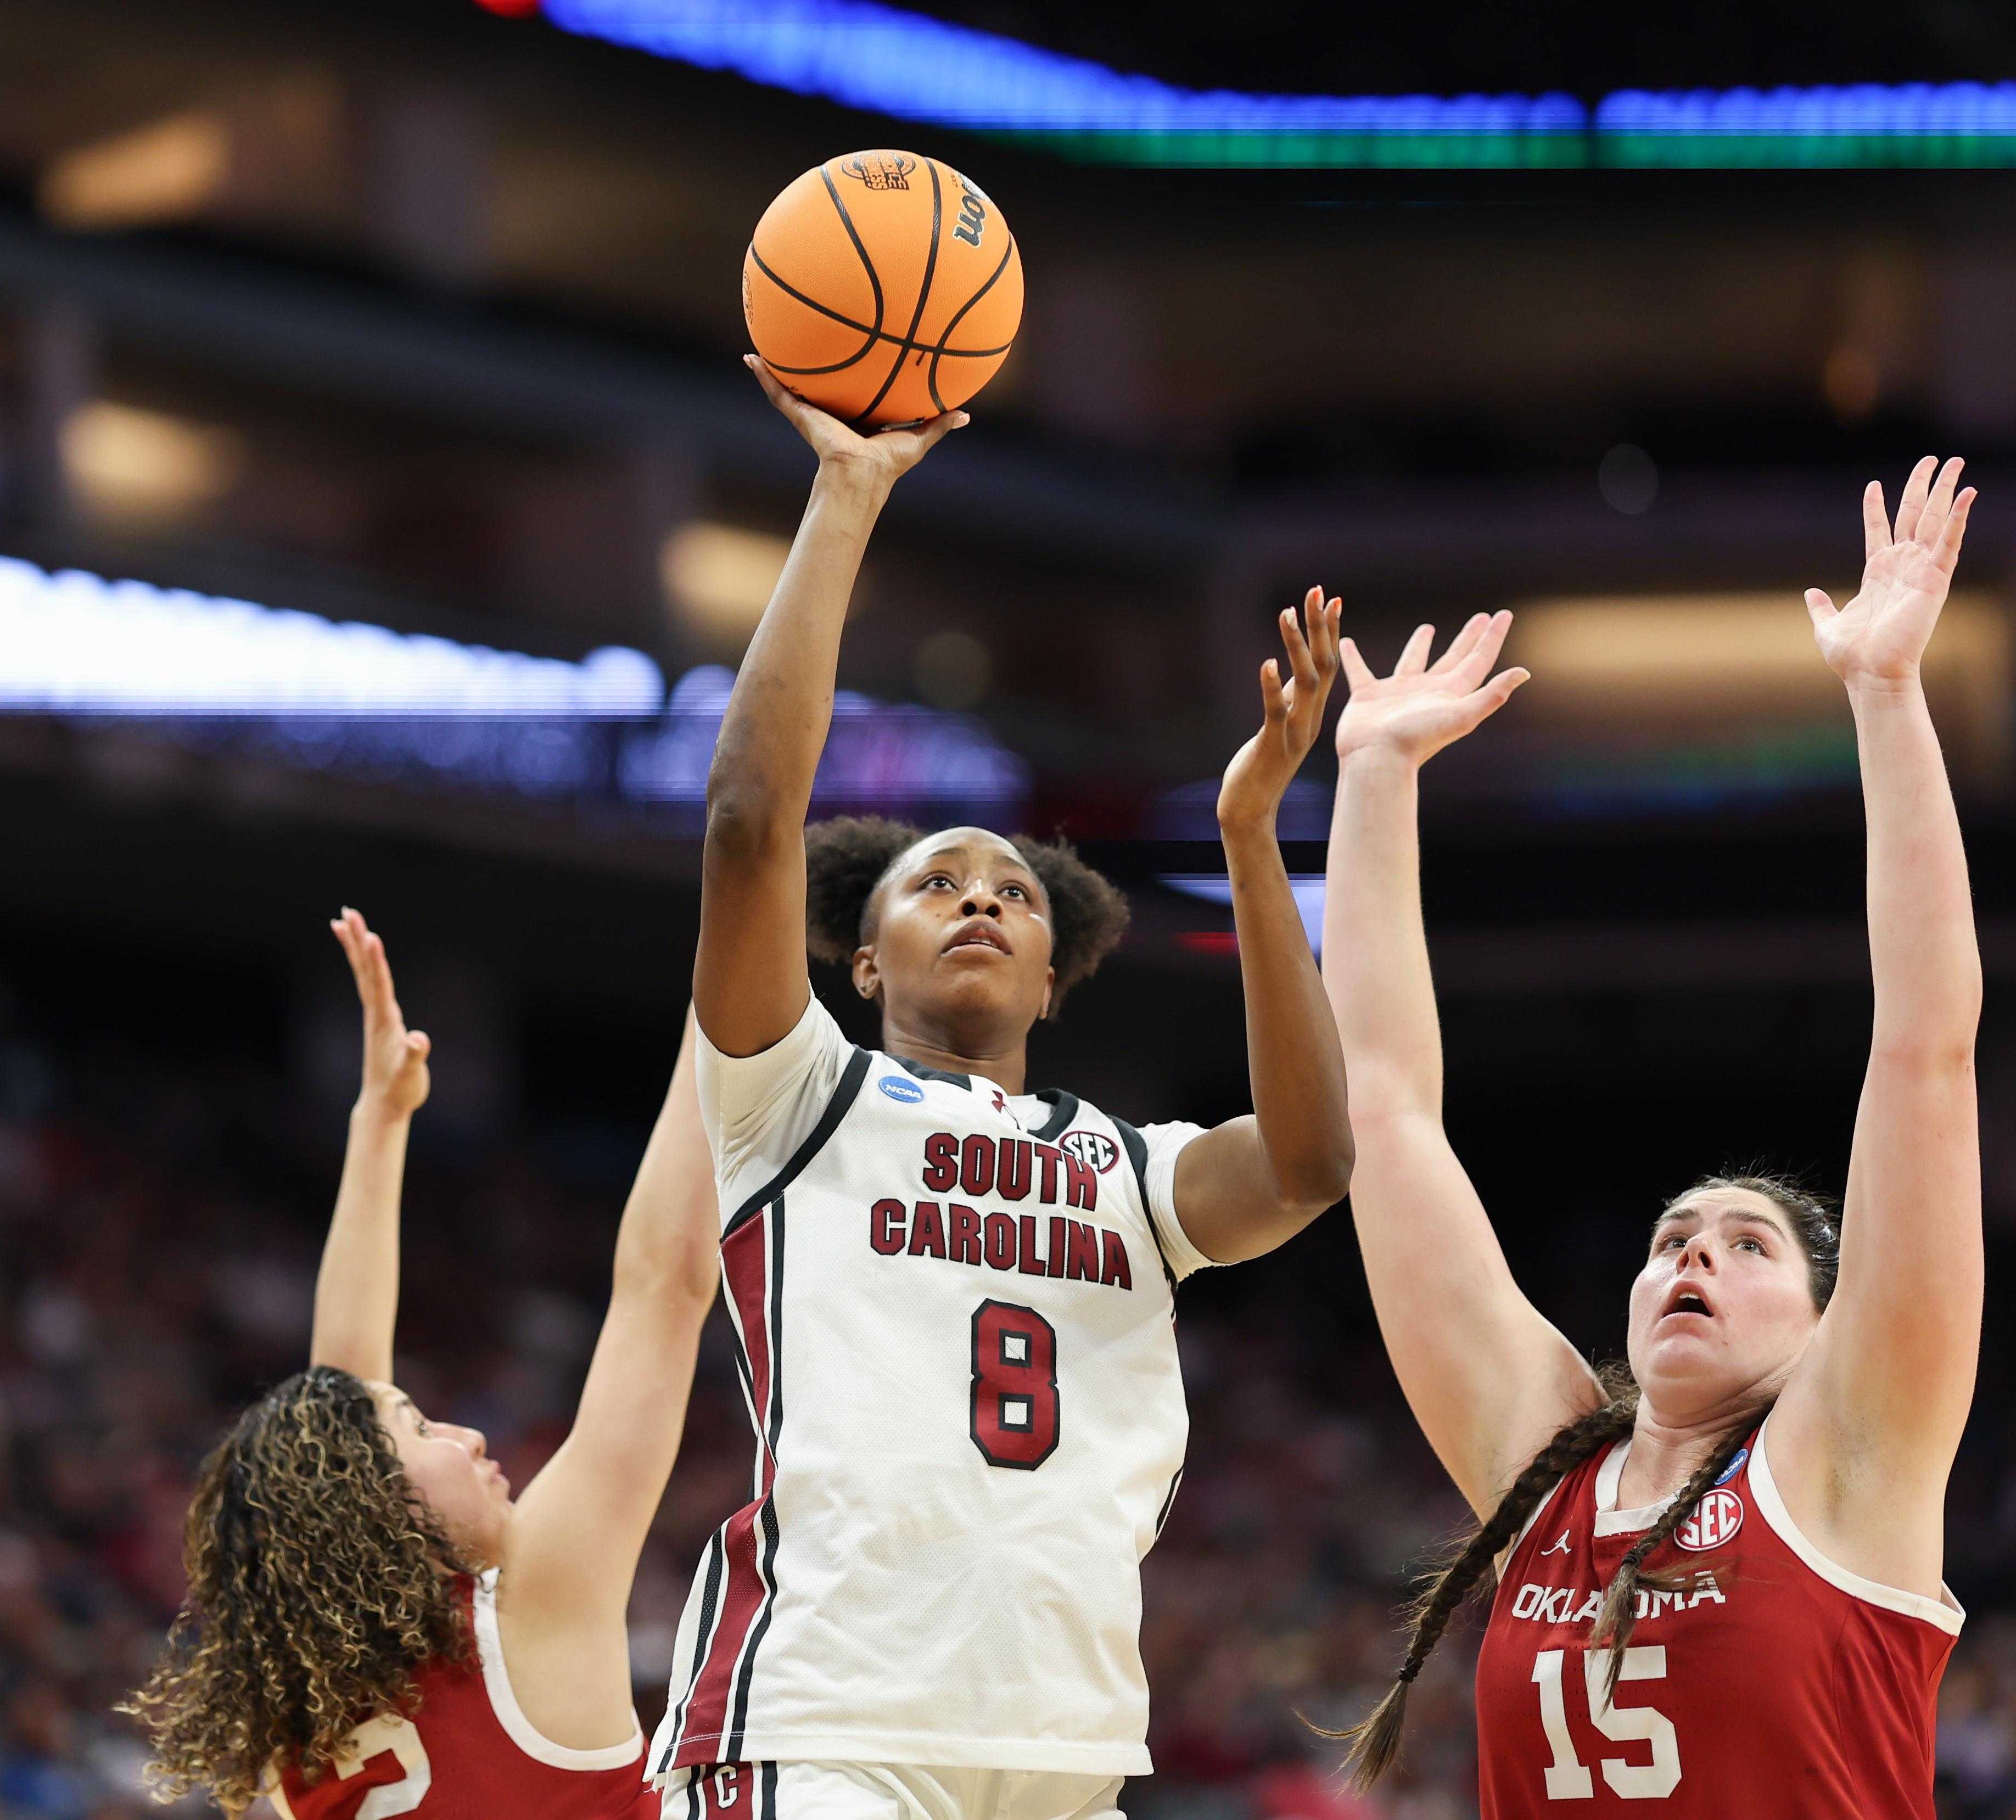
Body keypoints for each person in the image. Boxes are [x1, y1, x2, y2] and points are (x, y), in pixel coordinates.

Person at [651, 360, 1356, 1820]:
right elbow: (742, 820)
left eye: (1013, 893)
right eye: (933, 884)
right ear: (860, 958)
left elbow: (1305, 1161)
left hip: (1063, 1749)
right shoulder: (799, 1102)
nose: (978, 896)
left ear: (1051, 978)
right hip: (827, 1718)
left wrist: (1245, 837)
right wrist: (846, 495)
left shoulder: (1123, 1165)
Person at [1321, 458, 1984, 1816]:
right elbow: (1384, 1113)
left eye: (1747, 1245)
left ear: (1820, 1323)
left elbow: (1926, 1043)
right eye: (1674, 1235)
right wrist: (1376, 777)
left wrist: (1887, 694)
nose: (1694, 1254)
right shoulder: (1544, 1469)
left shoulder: (1850, 1448)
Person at [125, 910, 719, 1820]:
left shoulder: (296, 1741)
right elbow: (664, 1284)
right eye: (425, 1426)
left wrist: (381, 1119)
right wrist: (735, 971)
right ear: (372, 1515)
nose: (469, 1432)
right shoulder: (527, 1613)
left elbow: (339, 1405)